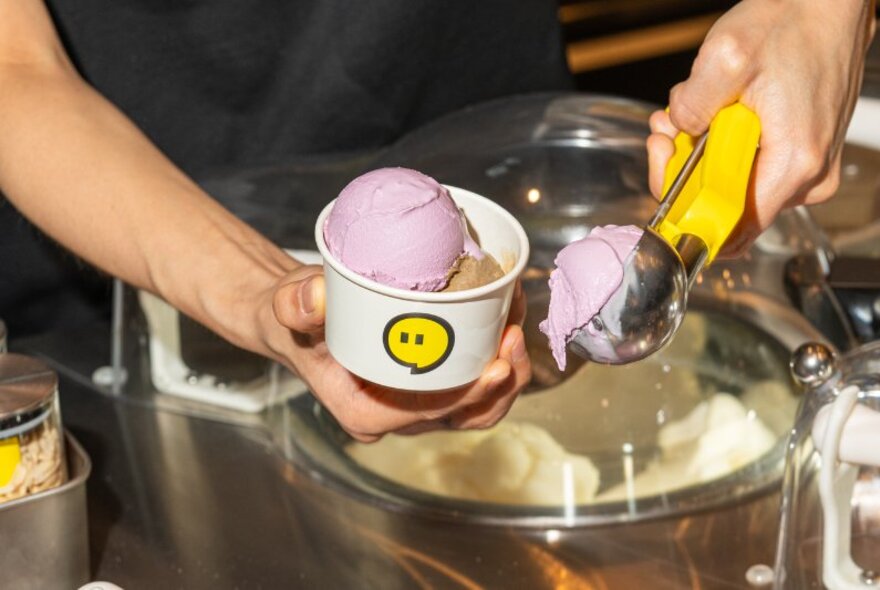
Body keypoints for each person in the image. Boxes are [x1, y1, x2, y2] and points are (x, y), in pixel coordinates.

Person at [0, 0, 874, 441]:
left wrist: (822, 10)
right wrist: (262, 294)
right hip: (123, 284)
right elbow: (16, 69)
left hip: (516, 198)